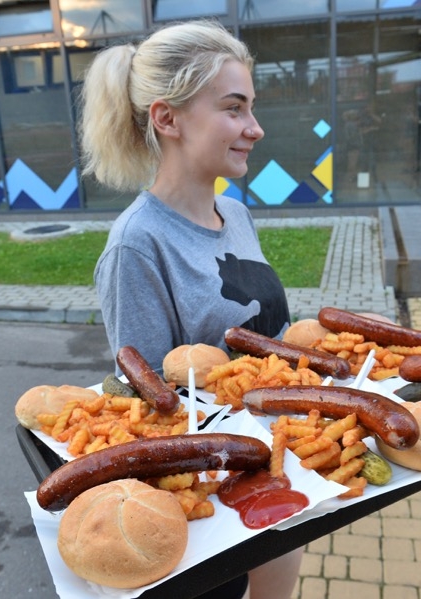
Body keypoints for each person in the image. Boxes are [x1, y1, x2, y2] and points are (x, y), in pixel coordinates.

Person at [80, 20, 301, 599]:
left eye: (251, 107)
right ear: (167, 118)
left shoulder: (240, 215)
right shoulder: (137, 245)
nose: (254, 127)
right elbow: (155, 415)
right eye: (234, 108)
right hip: (211, 510)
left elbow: (272, 339)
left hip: (286, 465)